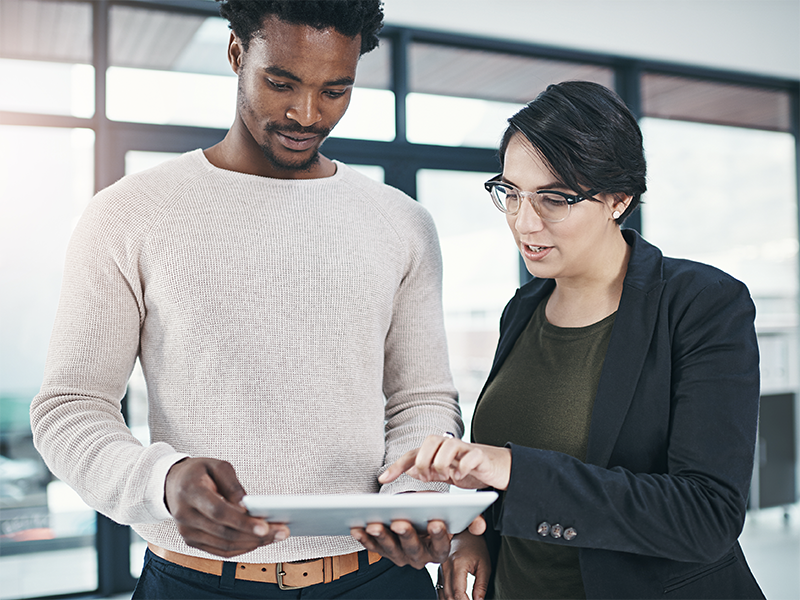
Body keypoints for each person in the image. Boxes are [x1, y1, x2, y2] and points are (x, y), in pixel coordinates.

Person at [29, 1, 463, 598]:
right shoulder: (128, 214)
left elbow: (421, 399)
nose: (306, 113)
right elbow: (70, 408)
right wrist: (163, 481)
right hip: (194, 583)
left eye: (335, 90)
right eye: (281, 83)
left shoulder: (403, 223)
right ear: (237, 53)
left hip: (377, 580)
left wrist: (415, 496)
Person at [379, 81, 766, 600]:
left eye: (554, 198)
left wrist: (513, 468)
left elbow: (706, 516)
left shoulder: (702, 304)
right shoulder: (524, 308)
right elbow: (514, 482)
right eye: (510, 193)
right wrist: (479, 538)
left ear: (619, 198)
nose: (524, 222)